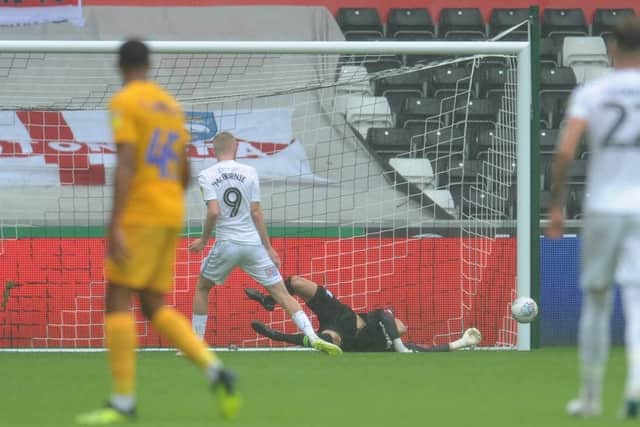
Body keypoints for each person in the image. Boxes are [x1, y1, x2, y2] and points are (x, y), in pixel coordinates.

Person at [76, 40, 239, 425]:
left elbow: (127, 162)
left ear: (121, 67)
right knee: (152, 305)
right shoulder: (170, 106)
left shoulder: (126, 101)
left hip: (143, 211)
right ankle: (217, 373)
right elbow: (183, 172)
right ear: (149, 65)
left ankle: (123, 401)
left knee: (116, 298)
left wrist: (117, 222)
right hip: (171, 212)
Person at [547, 17, 640, 419]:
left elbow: (566, 151)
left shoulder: (594, 91)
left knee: (597, 301)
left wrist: (556, 205)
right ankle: (636, 382)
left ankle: (590, 396)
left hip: (603, 206)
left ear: (612, 49)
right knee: (638, 299)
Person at [188, 132, 342, 356]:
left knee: (203, 288)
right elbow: (256, 212)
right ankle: (313, 336)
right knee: (281, 293)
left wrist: (203, 239)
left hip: (227, 244)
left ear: (213, 150)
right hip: (253, 245)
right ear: (236, 147)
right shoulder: (250, 172)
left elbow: (213, 211)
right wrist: (268, 248)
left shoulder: (206, 175)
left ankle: (195, 345)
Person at [246, 275, 482, 353]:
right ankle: (269, 301)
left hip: (345, 335)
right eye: (399, 325)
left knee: (326, 341)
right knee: (297, 282)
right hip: (339, 312)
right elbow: (387, 315)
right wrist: (401, 347)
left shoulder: (389, 345)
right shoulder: (381, 319)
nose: (403, 326)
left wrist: (462, 342)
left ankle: (276, 335)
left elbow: (429, 351)